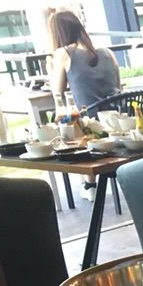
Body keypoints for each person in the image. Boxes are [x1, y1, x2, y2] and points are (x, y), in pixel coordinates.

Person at [48, 10, 121, 202]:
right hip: (118, 120)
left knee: (64, 119)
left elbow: (57, 91)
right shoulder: (107, 52)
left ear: (58, 32)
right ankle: (91, 184)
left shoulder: (63, 53)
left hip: (91, 126)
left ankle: (89, 185)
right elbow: (118, 86)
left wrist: (51, 68)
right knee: (77, 115)